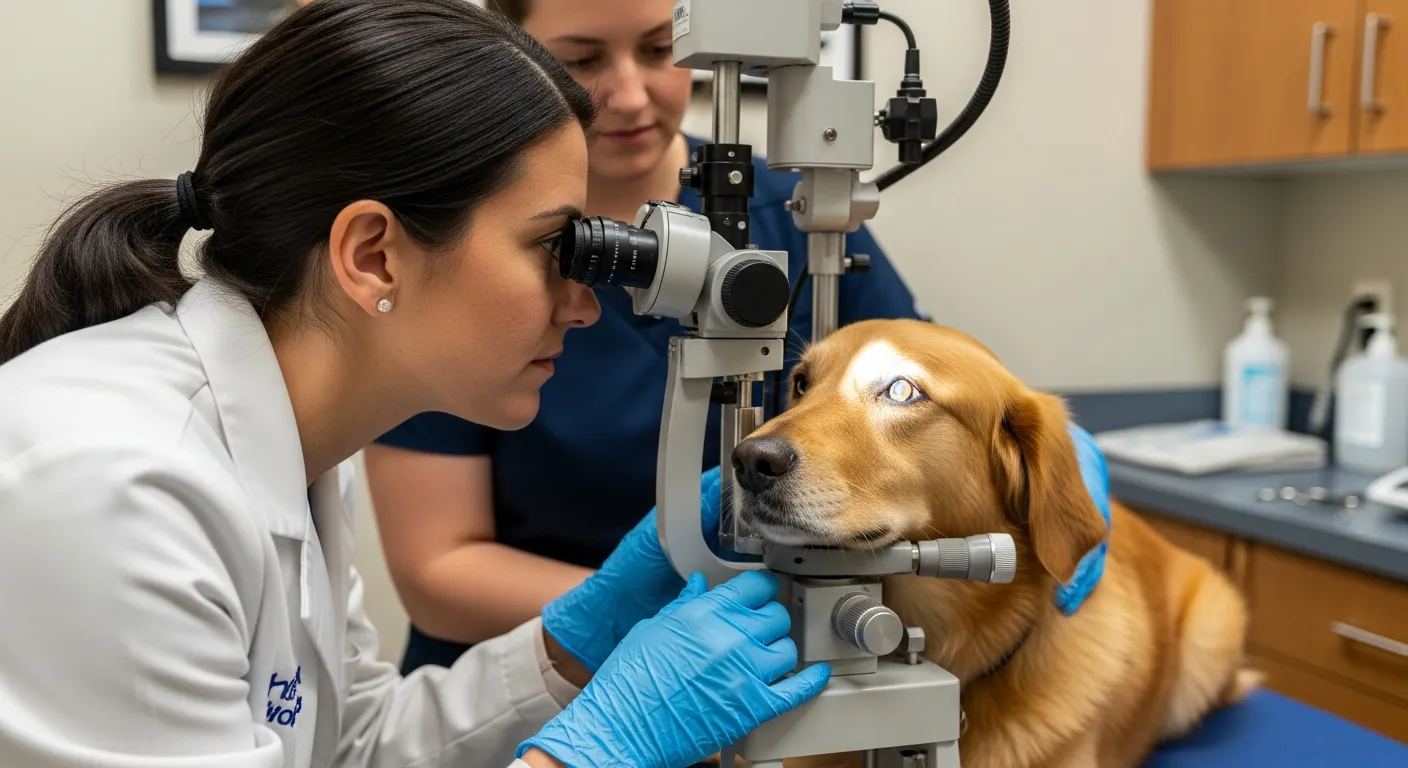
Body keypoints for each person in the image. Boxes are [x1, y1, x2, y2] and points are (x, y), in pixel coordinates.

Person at [0, 2, 829, 767]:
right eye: (552, 247)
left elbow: (352, 748)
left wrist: (572, 645)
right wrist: (594, 752)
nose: (583, 306)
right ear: (374, 256)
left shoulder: (298, 451)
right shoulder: (111, 486)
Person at [364, 0, 934, 676]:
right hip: (519, 688)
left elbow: (924, 398)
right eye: (581, 60)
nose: (629, 96)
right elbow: (439, 573)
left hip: (765, 664)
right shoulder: (454, 240)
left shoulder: (798, 214)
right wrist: (664, 621)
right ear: (511, 54)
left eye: (661, 50)